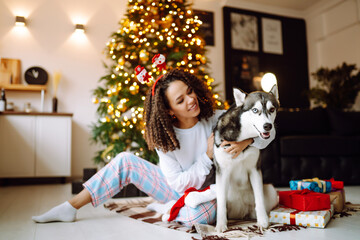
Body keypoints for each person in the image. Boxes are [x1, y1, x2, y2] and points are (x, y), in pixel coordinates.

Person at [32, 68, 272, 227]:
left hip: (205, 195)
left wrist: (246, 141)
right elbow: (179, 184)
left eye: (190, 92)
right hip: (177, 190)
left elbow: (266, 132)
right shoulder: (165, 137)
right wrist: (208, 157)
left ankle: (167, 209)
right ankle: (69, 208)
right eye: (180, 100)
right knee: (125, 161)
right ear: (169, 110)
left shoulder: (216, 118)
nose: (191, 100)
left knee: (202, 215)